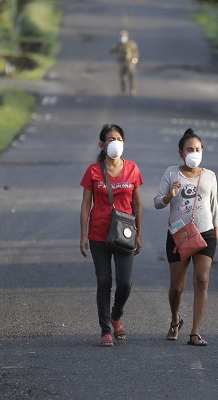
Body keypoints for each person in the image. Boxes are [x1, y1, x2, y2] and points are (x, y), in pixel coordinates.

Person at [154, 128, 218, 346]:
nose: (194, 153)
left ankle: (195, 331)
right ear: (181, 152)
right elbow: (156, 202)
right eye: (190, 149)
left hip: (205, 234)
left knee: (201, 281)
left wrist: (215, 235)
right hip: (179, 235)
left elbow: (214, 207)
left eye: (198, 149)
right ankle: (175, 319)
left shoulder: (210, 175)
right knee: (177, 287)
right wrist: (169, 196)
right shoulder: (171, 173)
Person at [79, 124, 144, 347]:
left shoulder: (133, 169)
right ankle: (105, 329)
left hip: (124, 234)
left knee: (125, 282)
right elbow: (85, 205)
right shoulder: (93, 171)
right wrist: (83, 235)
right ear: (102, 145)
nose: (115, 142)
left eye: (118, 138)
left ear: (123, 143)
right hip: (98, 233)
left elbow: (137, 205)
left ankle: (116, 316)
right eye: (110, 139)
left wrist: (139, 234)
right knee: (104, 281)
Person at [108, 30, 139, 96]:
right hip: (122, 62)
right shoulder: (118, 44)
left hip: (130, 62)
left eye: (124, 36)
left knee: (132, 76)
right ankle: (123, 91)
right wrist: (116, 47)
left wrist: (134, 61)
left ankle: (132, 90)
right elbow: (110, 50)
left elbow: (135, 53)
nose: (123, 37)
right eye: (122, 36)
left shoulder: (131, 44)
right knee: (122, 77)